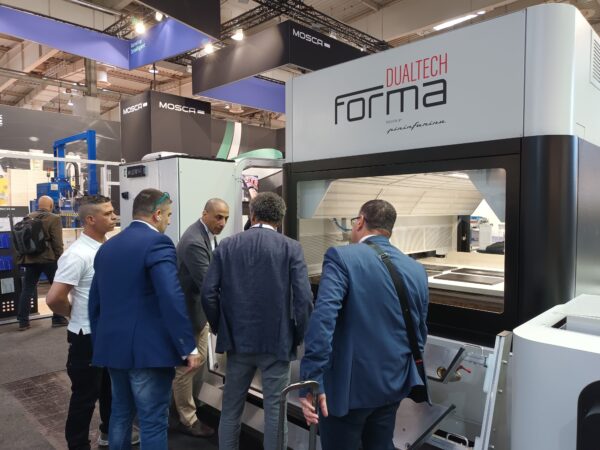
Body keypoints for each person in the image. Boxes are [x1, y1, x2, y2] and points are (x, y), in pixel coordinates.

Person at [299, 199, 429, 450]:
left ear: (360, 222)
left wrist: (311, 380)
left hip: (347, 391)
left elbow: (323, 320)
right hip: (392, 385)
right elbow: (420, 331)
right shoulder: (416, 269)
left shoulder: (341, 257)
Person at [89, 188, 200, 450]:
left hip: (113, 348)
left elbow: (95, 303)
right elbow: (170, 296)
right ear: (157, 214)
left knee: (120, 413)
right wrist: (188, 345)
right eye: (169, 215)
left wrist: (101, 342)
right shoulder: (158, 243)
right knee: (152, 420)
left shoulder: (108, 247)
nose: (169, 221)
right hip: (149, 353)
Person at [201, 192, 313, 450]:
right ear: (280, 220)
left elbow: (208, 294)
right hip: (277, 342)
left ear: (252, 215)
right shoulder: (291, 247)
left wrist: (220, 328)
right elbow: (304, 299)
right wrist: (297, 335)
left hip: (237, 341)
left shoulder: (226, 245)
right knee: (276, 411)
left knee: (231, 408)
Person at [46, 195, 138, 449]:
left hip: (108, 333)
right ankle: (77, 444)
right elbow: (54, 298)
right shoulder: (77, 254)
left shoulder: (107, 247)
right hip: (86, 336)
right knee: (85, 397)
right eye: (107, 213)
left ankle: (108, 433)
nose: (114, 216)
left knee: (110, 389)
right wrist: (75, 314)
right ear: (90, 219)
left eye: (113, 211)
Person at [172, 198, 229, 438]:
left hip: (198, 314)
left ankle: (183, 404)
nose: (222, 222)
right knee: (186, 367)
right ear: (205, 214)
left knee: (200, 359)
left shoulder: (206, 234)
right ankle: (187, 418)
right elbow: (208, 284)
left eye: (226, 218)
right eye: (218, 217)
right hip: (188, 315)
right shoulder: (195, 241)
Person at [16, 195, 68, 330]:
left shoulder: (28, 217)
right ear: (51, 206)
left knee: (27, 289)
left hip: (30, 259)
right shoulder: (54, 218)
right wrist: (61, 259)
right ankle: (58, 318)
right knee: (57, 288)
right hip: (49, 259)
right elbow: (57, 242)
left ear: (38, 205)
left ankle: (23, 322)